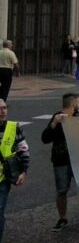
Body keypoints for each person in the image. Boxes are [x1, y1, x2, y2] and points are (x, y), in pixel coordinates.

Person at [41, 93, 79, 231]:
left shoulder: (78, 118)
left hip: (78, 159)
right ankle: (62, 218)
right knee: (62, 190)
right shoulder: (58, 118)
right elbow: (45, 138)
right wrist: (54, 123)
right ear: (73, 104)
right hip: (61, 161)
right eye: (78, 102)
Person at [0, 98, 29, 241]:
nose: (2, 111)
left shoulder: (13, 127)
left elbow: (23, 149)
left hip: (3, 179)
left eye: (4, 108)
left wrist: (24, 171)